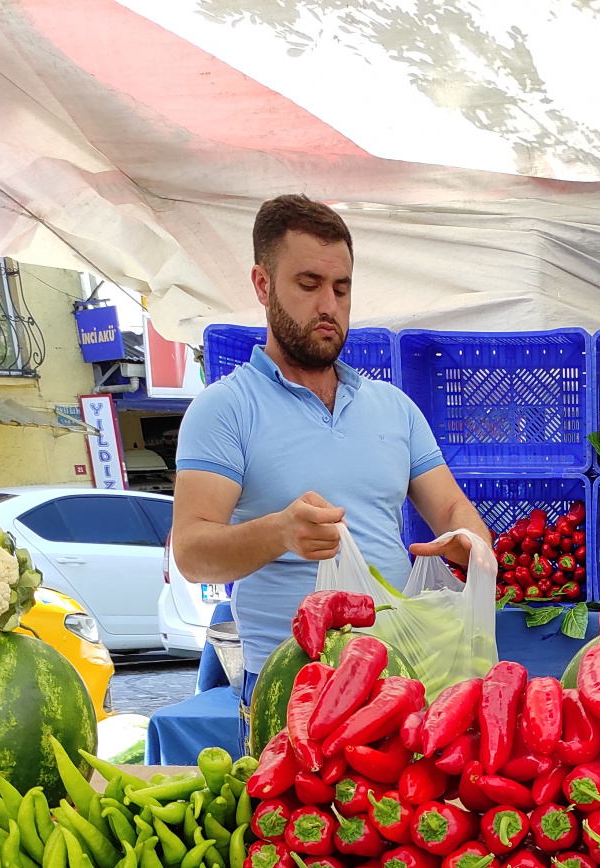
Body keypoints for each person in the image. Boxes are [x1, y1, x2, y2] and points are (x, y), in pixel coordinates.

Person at [171, 193, 487, 726]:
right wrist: (279, 533)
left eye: (341, 288)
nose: (329, 306)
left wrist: (470, 542)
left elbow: (452, 509)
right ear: (263, 285)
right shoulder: (224, 408)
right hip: (291, 687)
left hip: (397, 679)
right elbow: (192, 552)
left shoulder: (393, 407)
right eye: (309, 284)